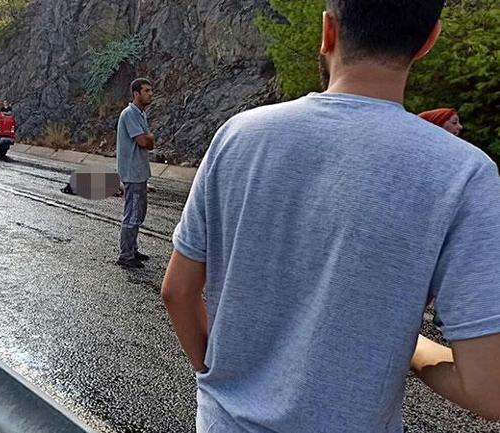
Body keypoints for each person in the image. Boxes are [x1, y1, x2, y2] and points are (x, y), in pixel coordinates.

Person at [162, 1, 500, 432]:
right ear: (428, 41)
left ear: (328, 32)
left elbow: (177, 292)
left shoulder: (238, 136)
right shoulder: (464, 175)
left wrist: (220, 380)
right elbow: (488, 387)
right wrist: (410, 347)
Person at [115, 78, 155, 269]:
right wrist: (150, 139)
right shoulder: (130, 114)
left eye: (151, 90)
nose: (150, 94)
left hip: (139, 172)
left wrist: (149, 140)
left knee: (138, 213)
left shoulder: (140, 114)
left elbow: (147, 141)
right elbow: (143, 141)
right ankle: (125, 255)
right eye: (146, 91)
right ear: (136, 93)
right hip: (132, 173)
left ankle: (132, 248)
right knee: (132, 213)